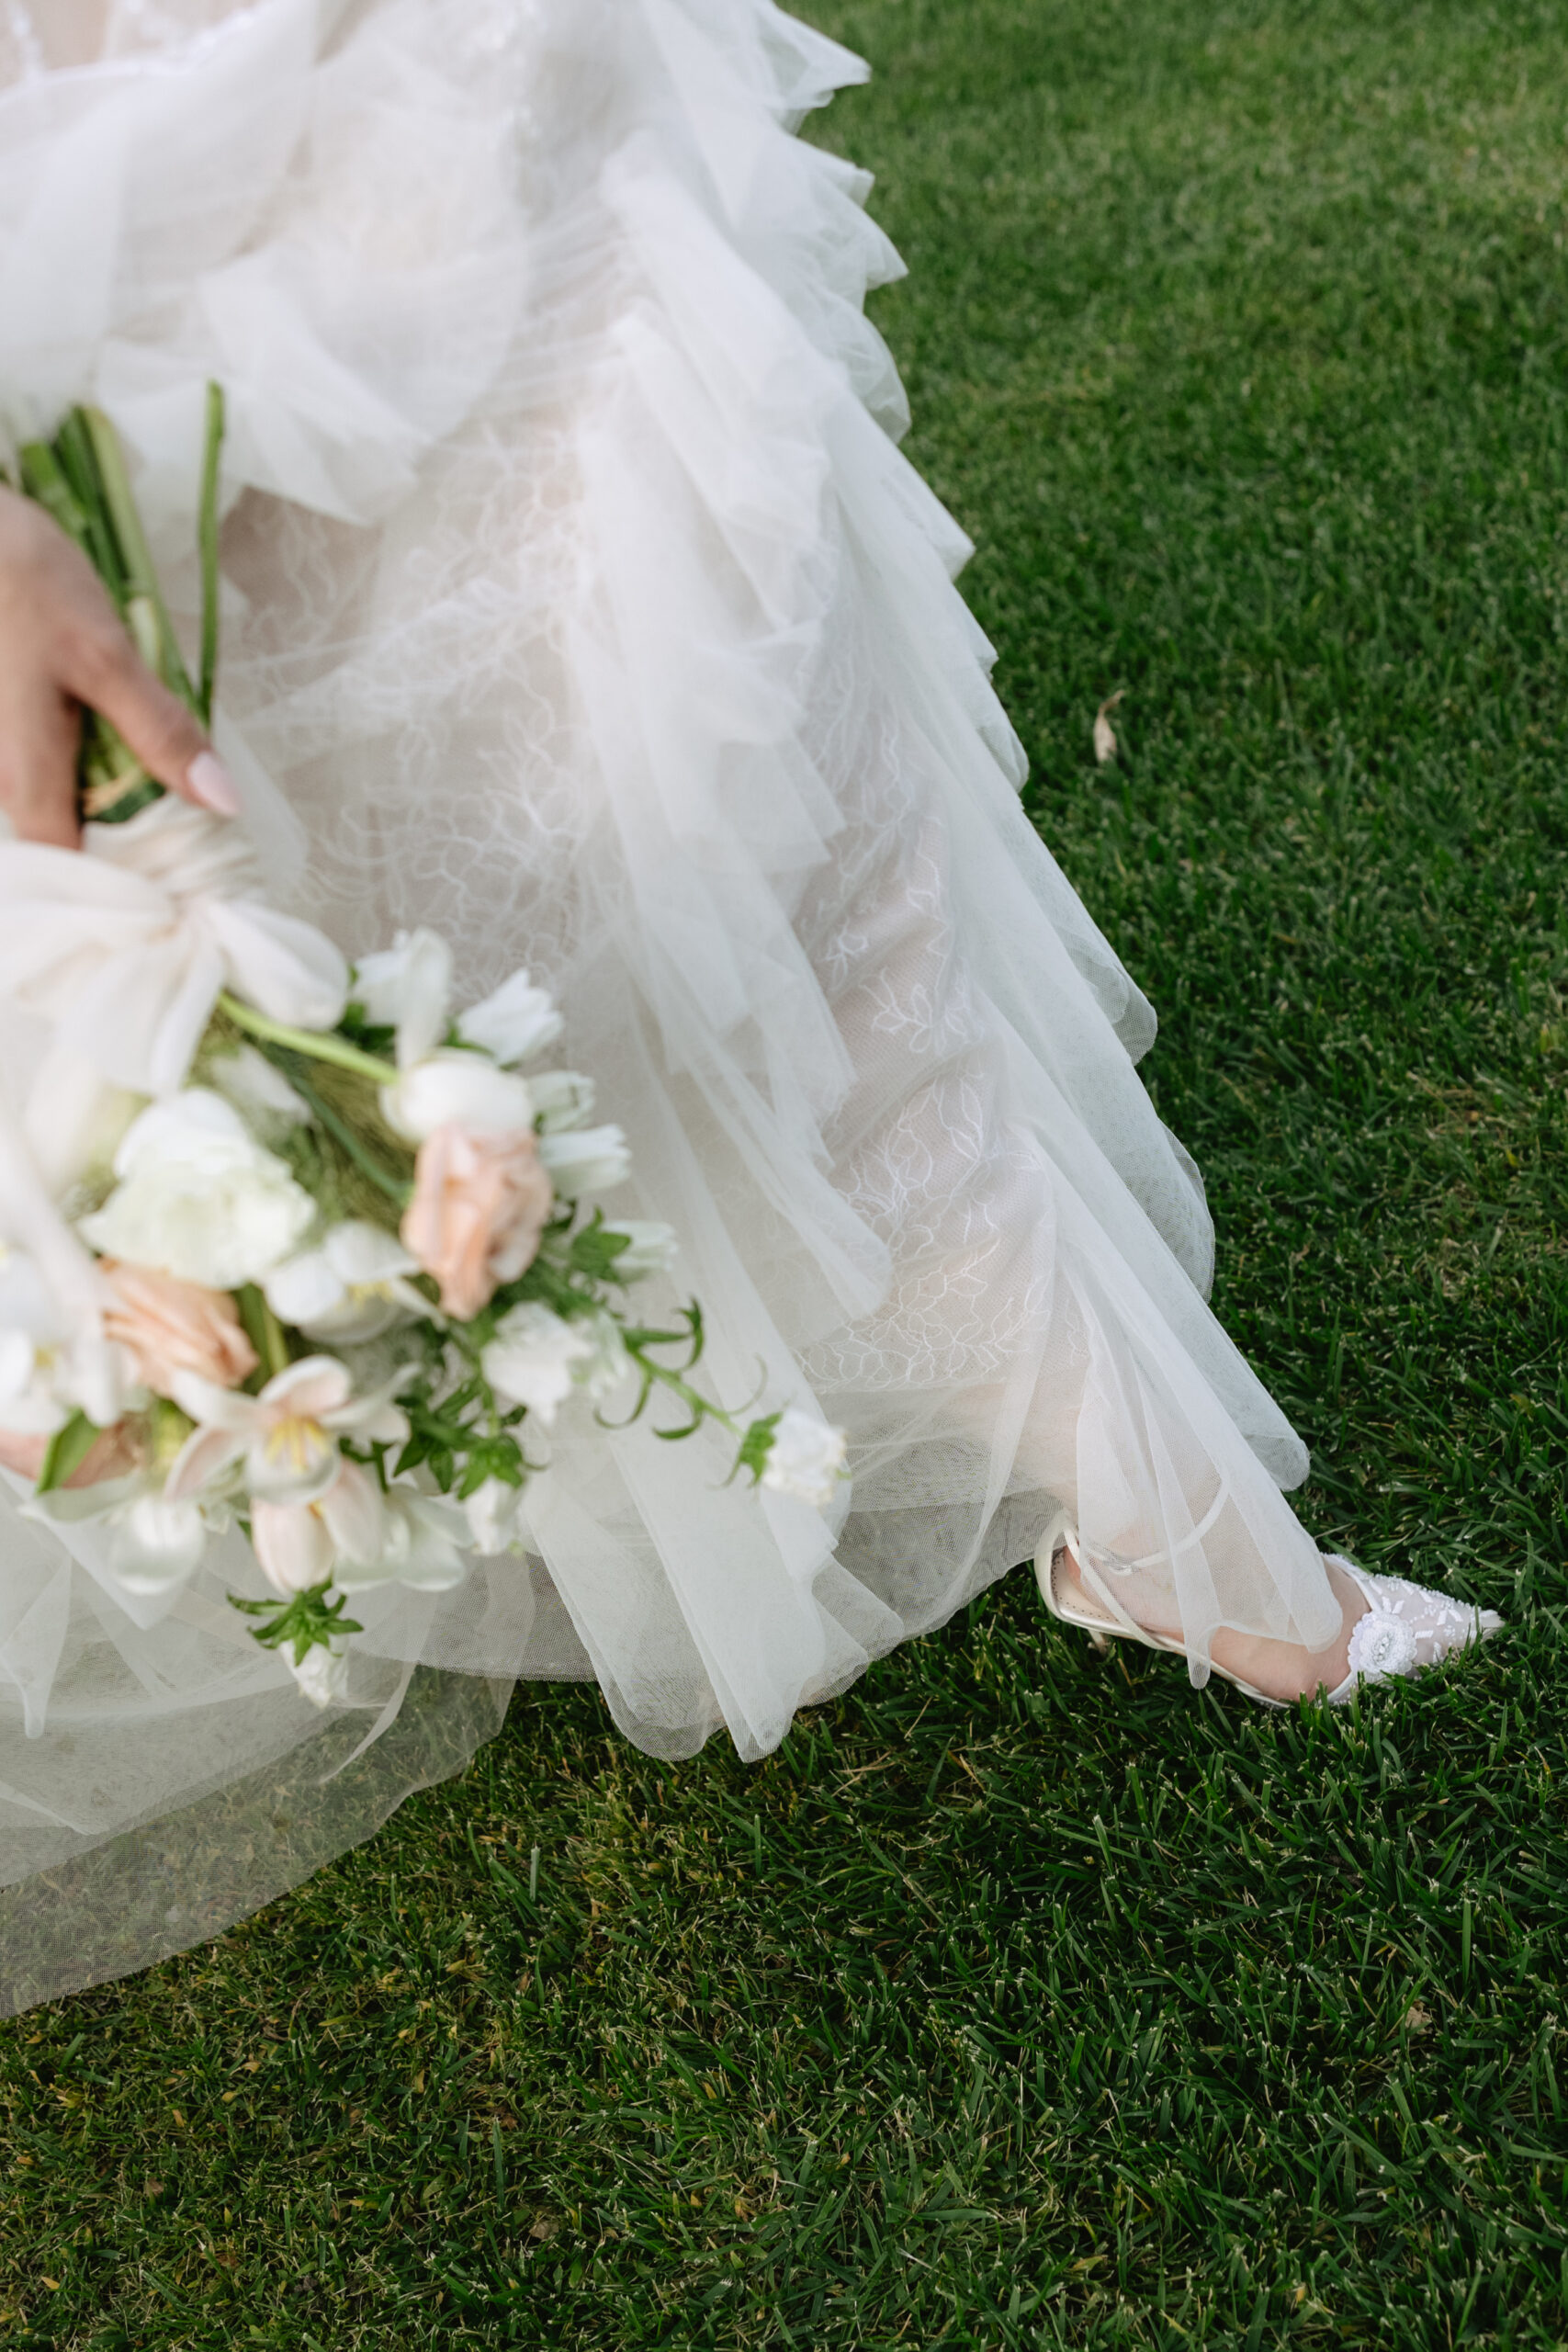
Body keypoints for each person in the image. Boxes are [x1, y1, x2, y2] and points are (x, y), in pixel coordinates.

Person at [0, 0, 1496, 2011]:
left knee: (787, 830)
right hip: (139, 205)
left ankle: (1160, 1513)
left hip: (514, 90)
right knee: (342, 869)